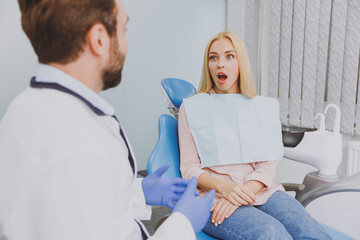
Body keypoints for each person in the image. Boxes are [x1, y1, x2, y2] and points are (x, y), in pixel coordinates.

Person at [0, 0, 215, 239]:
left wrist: (138, 192)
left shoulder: (25, 107)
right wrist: (183, 224)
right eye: (123, 30)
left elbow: (84, 204)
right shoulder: (77, 145)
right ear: (99, 39)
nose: (125, 45)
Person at [178, 31, 331, 240]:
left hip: (261, 192)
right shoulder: (192, 109)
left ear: (241, 62)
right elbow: (188, 168)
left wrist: (239, 195)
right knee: (271, 233)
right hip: (215, 198)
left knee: (308, 229)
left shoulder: (260, 108)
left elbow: (267, 166)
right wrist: (226, 188)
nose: (220, 64)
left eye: (229, 56)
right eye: (213, 57)